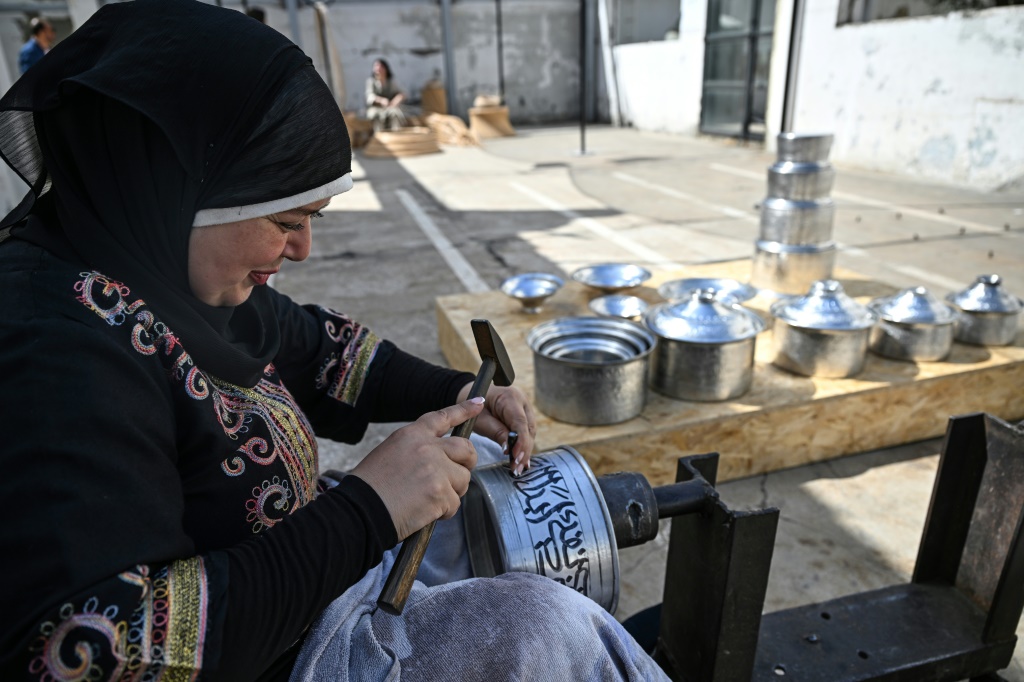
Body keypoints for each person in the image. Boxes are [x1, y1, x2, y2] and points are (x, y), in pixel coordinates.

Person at [0, 2, 669, 680]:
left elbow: (316, 348)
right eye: (286, 219)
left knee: (492, 515)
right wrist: (368, 511)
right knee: (544, 629)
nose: (303, 248)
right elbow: (99, 648)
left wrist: (460, 395)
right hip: (266, 655)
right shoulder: (52, 363)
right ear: (180, 194)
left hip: (305, 571)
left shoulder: (154, 263)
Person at [365, 57, 407, 132]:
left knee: (395, 114)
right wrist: (381, 100)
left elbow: (402, 93)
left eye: (381, 67)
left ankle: (395, 136)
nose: (378, 70)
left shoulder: (391, 82)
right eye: (376, 68)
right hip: (376, 109)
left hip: (390, 108)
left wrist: (395, 101)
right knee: (377, 116)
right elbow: (369, 96)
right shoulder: (371, 82)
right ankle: (379, 137)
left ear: (386, 69)